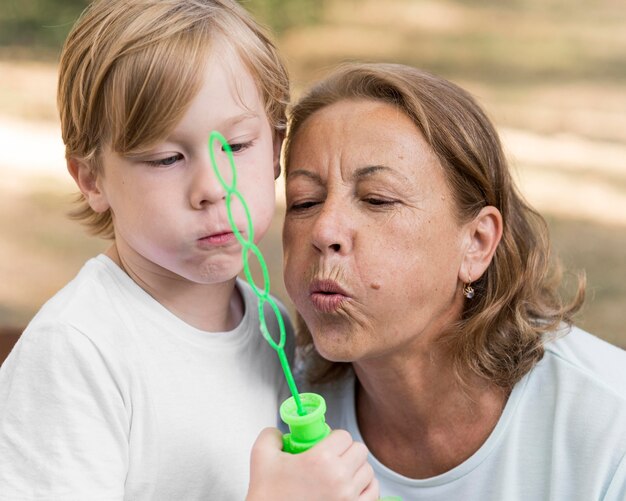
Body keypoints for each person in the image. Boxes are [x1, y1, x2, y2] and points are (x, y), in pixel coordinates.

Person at [0, 2, 378, 500]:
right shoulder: (76, 351)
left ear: (275, 150)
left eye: (237, 146)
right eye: (166, 158)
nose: (211, 188)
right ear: (91, 179)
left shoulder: (274, 327)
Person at [281, 62, 626, 500]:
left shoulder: (609, 431)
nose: (324, 230)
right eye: (304, 201)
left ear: (477, 243)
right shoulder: (280, 408)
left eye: (377, 199)